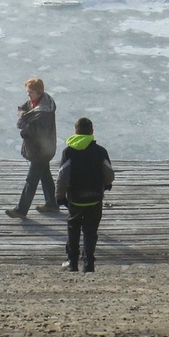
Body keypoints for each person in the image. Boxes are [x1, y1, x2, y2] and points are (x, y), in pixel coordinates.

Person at [55, 117, 115, 273]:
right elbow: (108, 173)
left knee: (73, 229)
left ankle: (72, 262)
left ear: (75, 132)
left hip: (75, 199)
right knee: (90, 231)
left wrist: (60, 197)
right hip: (95, 199)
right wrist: (107, 184)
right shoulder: (100, 151)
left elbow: (63, 177)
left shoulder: (68, 152)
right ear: (92, 132)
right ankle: (89, 264)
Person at [5, 78, 58, 218]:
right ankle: (52, 204)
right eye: (27, 92)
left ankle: (21, 210)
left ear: (39, 92)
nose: (28, 95)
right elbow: (24, 107)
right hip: (43, 148)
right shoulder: (37, 101)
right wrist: (22, 114)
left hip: (41, 150)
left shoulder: (44, 112)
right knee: (45, 175)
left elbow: (41, 132)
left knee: (31, 181)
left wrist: (25, 127)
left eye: (30, 93)